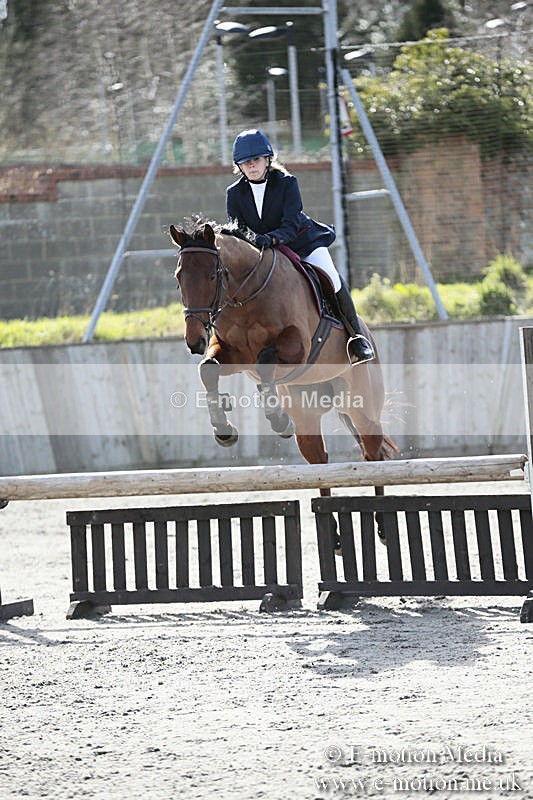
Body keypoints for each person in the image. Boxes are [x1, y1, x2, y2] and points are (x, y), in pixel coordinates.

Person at [226, 128, 374, 364]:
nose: (251, 166)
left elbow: (292, 223)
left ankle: (356, 337)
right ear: (239, 166)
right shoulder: (234, 193)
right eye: (245, 162)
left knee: (331, 277)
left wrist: (271, 238)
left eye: (256, 160)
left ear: (267, 160)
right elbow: (238, 228)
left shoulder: (286, 183)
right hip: (262, 252)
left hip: (301, 242)